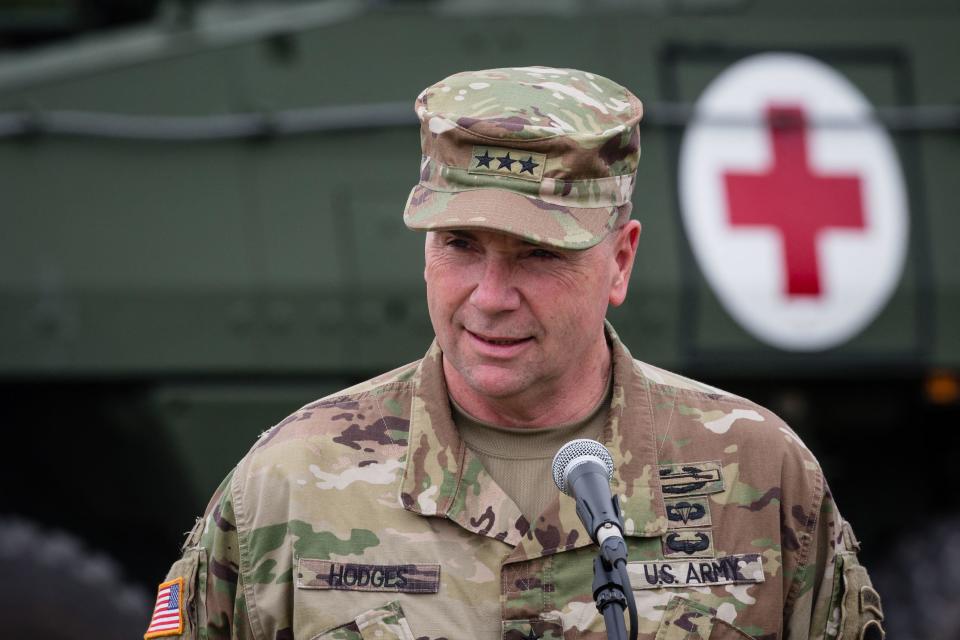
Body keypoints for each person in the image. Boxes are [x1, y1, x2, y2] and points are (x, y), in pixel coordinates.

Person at [146, 67, 884, 640]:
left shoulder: (758, 475)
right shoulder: (287, 484)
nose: (491, 295)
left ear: (620, 262)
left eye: (538, 253)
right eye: (460, 245)